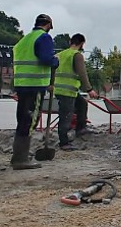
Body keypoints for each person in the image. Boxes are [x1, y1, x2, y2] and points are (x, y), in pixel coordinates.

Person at [10, 14, 60, 169]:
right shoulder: (43, 38)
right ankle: (21, 158)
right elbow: (45, 58)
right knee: (30, 120)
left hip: (21, 83)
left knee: (23, 119)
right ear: (49, 25)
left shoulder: (24, 40)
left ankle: (18, 156)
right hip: (35, 84)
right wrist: (55, 61)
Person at [53, 33, 99, 150]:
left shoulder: (59, 55)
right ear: (82, 44)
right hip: (67, 91)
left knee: (82, 103)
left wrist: (50, 84)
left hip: (60, 89)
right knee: (66, 116)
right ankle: (64, 143)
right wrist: (89, 89)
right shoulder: (76, 55)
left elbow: (52, 70)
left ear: (70, 42)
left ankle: (80, 128)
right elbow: (82, 73)